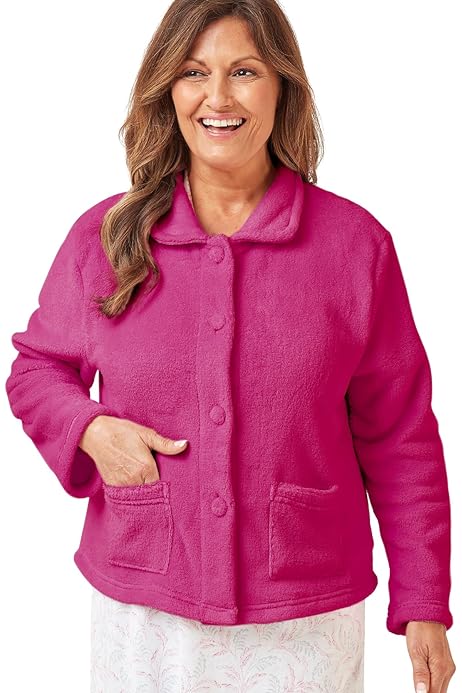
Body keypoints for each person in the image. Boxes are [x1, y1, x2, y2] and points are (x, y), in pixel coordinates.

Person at [4, 1, 456, 691]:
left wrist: (423, 600)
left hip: (306, 616)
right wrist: (88, 429)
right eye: (194, 72)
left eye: (244, 71)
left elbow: (400, 435)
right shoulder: (107, 238)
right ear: (167, 90)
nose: (217, 97)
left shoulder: (354, 246)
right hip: (146, 613)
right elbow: (37, 369)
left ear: (282, 88)